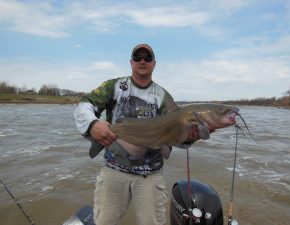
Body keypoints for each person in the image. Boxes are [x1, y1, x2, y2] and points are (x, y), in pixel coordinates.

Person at [74, 43, 201, 225]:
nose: (142, 61)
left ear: (154, 64)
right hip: (114, 170)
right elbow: (83, 105)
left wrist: (190, 136)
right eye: (138, 57)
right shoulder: (115, 86)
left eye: (147, 58)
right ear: (131, 62)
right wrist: (93, 124)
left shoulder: (163, 96)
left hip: (150, 175)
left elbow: (174, 136)